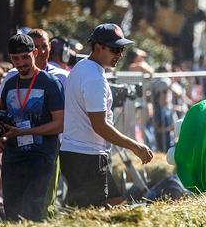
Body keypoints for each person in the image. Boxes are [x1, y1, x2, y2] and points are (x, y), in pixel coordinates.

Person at [60, 24, 153, 207]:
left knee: (110, 204)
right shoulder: (94, 77)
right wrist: (135, 146)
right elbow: (100, 125)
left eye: (122, 49)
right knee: (92, 216)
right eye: (115, 49)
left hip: (78, 153)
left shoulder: (82, 67)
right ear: (97, 48)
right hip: (87, 157)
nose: (120, 54)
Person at [0, 34, 64, 221]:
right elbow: (3, 117)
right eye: (16, 58)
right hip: (13, 158)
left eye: (25, 57)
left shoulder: (50, 83)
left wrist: (25, 132)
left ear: (35, 53)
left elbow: (59, 124)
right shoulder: (9, 83)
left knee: (36, 216)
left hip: (41, 159)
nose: (21, 63)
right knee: (13, 216)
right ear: (10, 58)